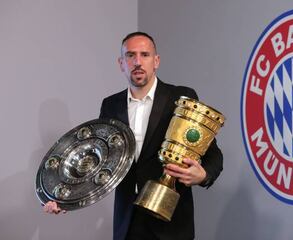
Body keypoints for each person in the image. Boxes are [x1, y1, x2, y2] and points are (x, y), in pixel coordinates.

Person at [44, 31, 223, 240]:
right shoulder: (110, 105)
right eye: (130, 55)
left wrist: (203, 176)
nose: (138, 62)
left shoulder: (180, 97)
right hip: (127, 225)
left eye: (145, 55)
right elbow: (98, 164)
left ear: (156, 61)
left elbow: (213, 155)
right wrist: (66, 199)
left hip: (171, 226)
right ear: (121, 63)